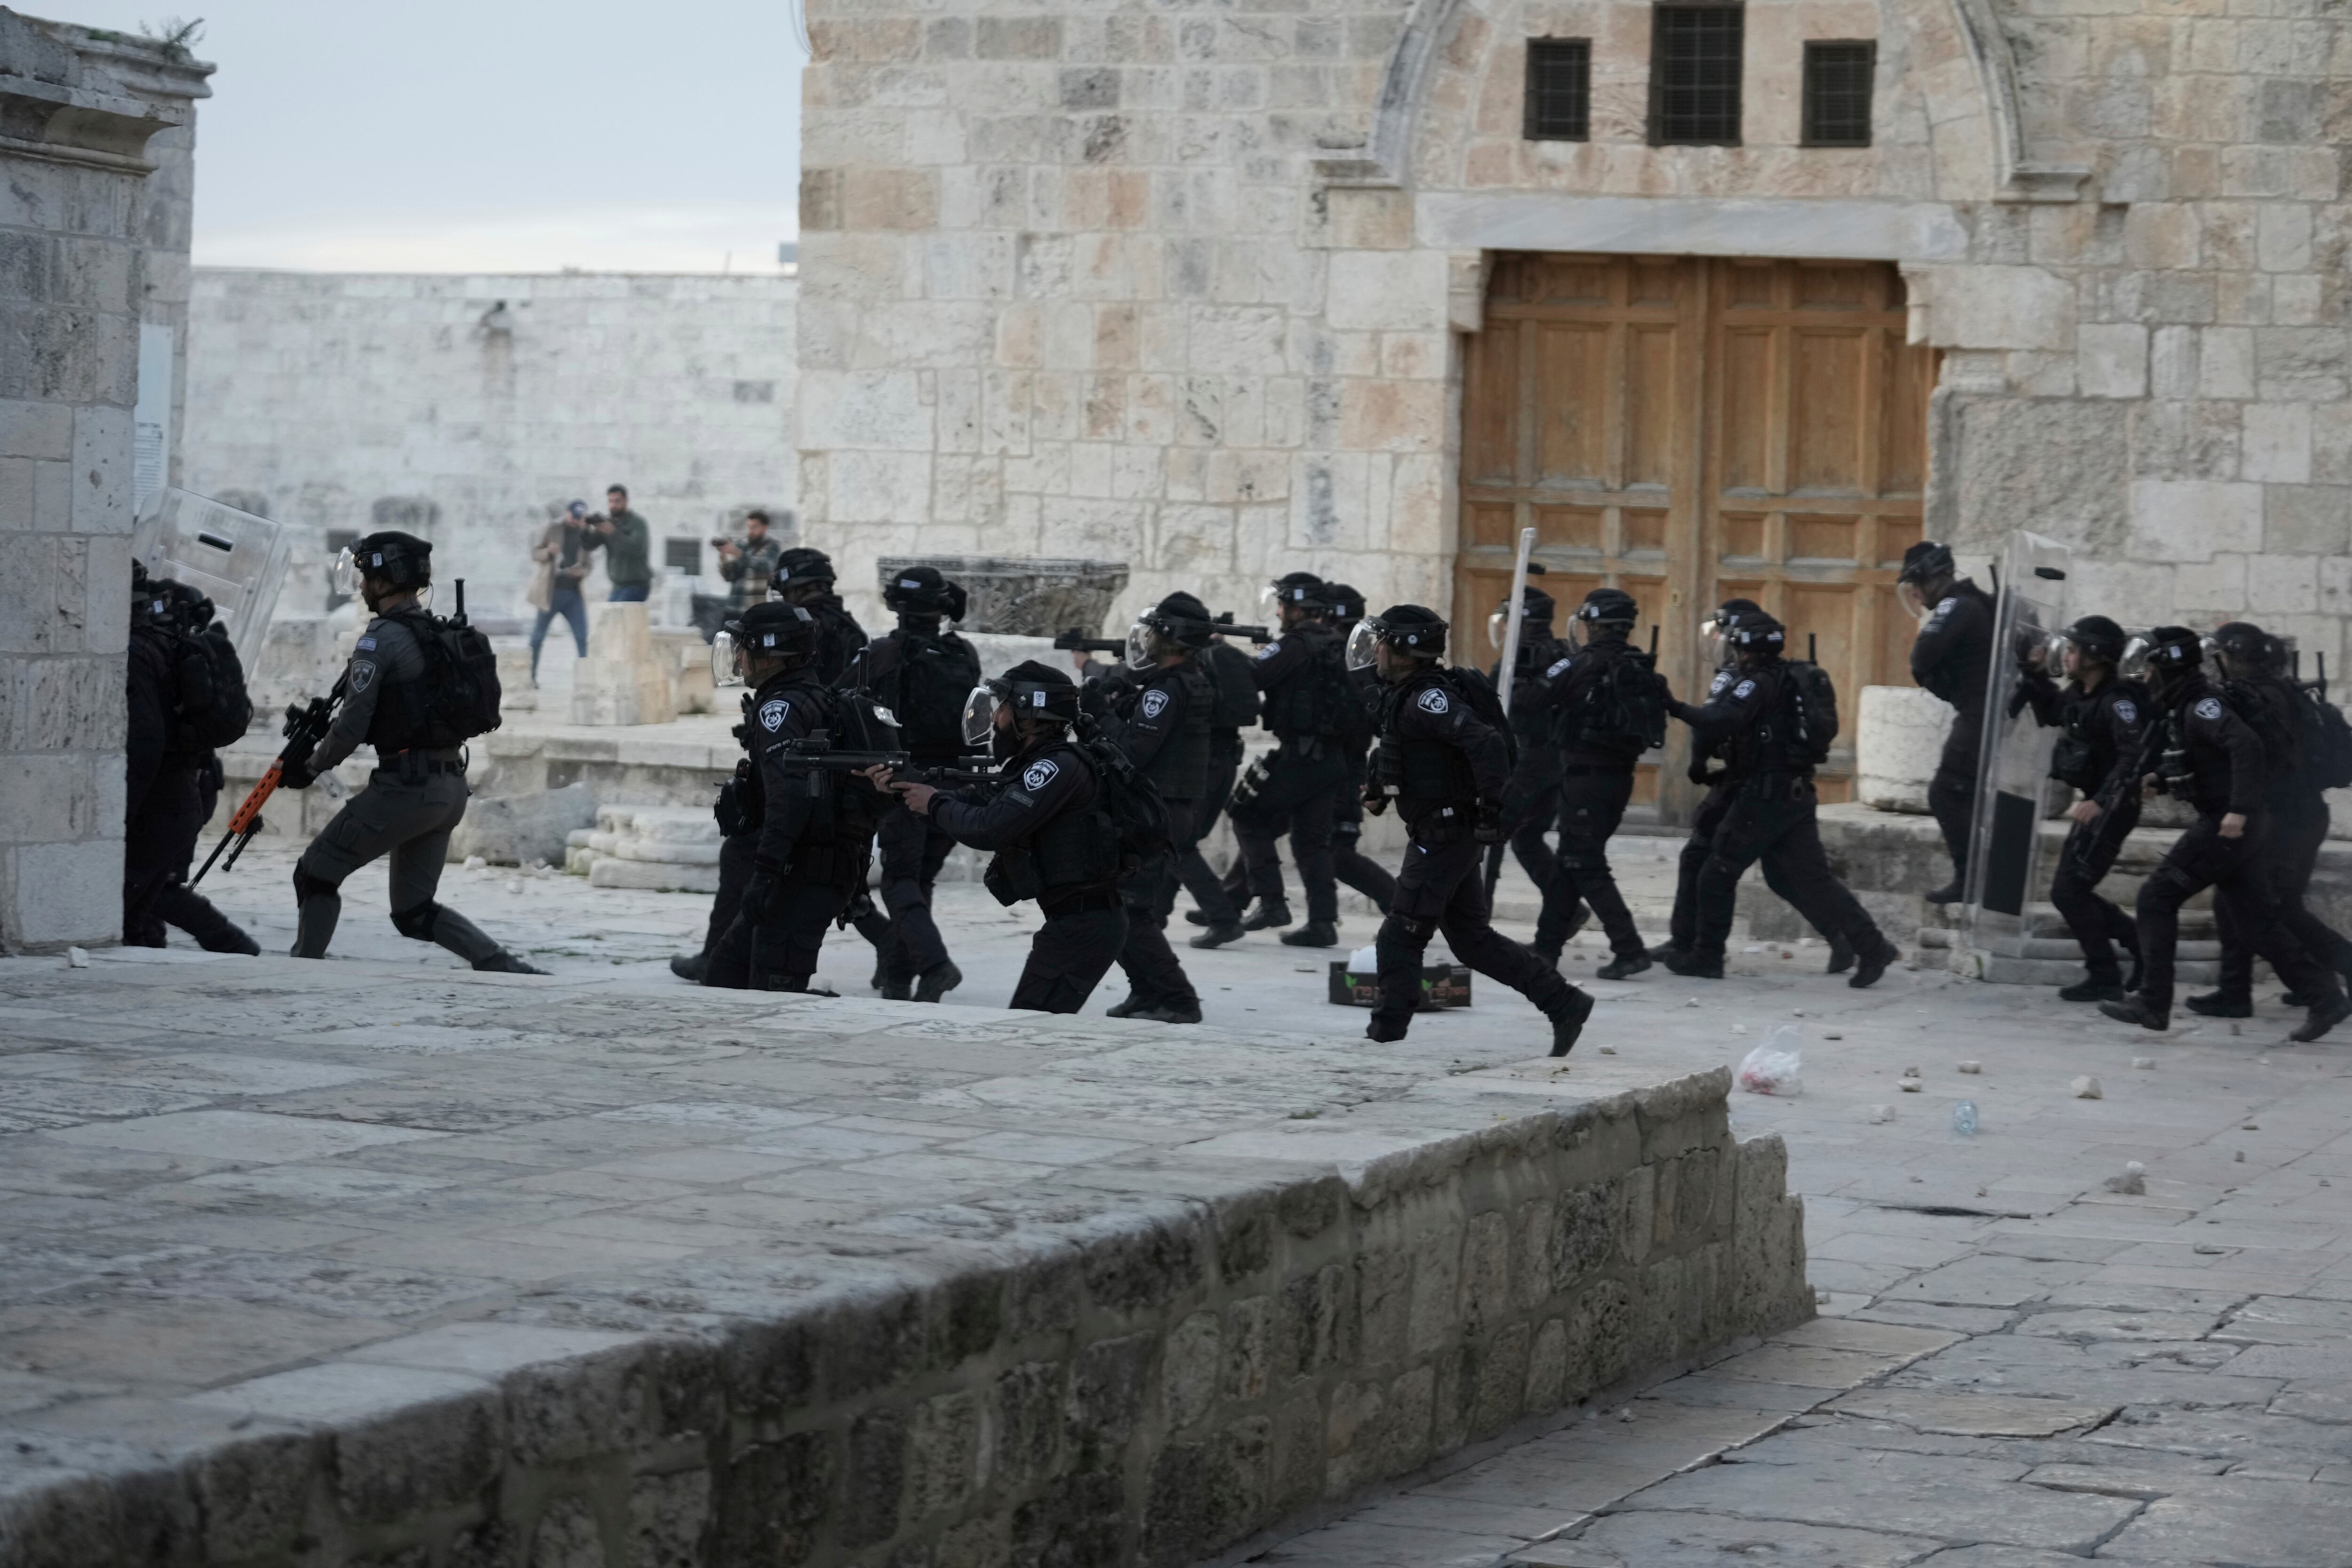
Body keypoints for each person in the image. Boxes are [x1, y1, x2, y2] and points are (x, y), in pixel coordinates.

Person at [279, 531, 545, 972]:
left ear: (385, 582)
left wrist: (311, 764)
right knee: (414, 911)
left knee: (315, 873)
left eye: (366, 576)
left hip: (405, 788)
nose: (362, 586)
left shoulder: (378, 639)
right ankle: (505, 966)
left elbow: (351, 726)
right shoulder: (435, 632)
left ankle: (304, 971)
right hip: (448, 789)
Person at [1355, 605, 1594, 1054]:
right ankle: (1564, 1002)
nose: (1377, 651)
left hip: (1446, 832)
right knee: (1471, 941)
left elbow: (1483, 742)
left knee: (1401, 931)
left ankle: (1384, 1036)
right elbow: (1406, 751)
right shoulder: (1404, 694)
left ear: (1404, 651)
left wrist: (1490, 808)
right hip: (1442, 830)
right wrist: (1379, 788)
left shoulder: (1430, 697)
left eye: (1384, 642)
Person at [2099, 627, 2348, 1040]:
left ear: (2167, 668)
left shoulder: (2203, 705)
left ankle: (2153, 1001)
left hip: (2227, 825)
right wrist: (2162, 777)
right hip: (2242, 826)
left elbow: (2246, 747)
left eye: (2149, 670)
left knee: (2156, 897)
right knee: (2254, 921)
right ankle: (2325, 997)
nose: (2144, 679)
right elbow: (2209, 760)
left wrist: (2239, 809)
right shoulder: (2190, 704)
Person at [1660, 609, 1898, 987]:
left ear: (1747, 650)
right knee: (1816, 881)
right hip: (1794, 794)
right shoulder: (1785, 678)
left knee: (1717, 872)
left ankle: (1707, 956)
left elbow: (1721, 720)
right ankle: (1873, 946)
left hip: (1765, 797)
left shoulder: (1757, 683)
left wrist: (1674, 707)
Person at [882, 662, 1126, 1014]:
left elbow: (990, 826)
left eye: (1005, 706)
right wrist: (909, 788)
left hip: (1083, 927)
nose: (996, 717)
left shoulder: (1055, 767)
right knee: (1031, 1026)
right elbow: (977, 801)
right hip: (1076, 922)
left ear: (1028, 712)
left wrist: (933, 803)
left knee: (1030, 1027)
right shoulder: (1039, 762)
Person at [2187, 622, 2352, 1017]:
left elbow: (2258, 759)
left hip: (2286, 818)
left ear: (2234, 656)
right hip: (2301, 813)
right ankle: (2241, 990)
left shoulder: (2256, 698)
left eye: (2222, 656)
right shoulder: (2281, 690)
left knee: (2271, 907)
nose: (2218, 663)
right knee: (2243, 902)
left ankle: (2326, 975)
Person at [845, 565, 979, 1002]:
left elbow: (840, 701)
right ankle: (902, 980)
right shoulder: (964, 653)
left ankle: (936, 966)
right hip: (956, 783)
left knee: (900, 881)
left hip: (907, 781)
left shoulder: (884, 652)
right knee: (920, 883)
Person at [122, 570, 261, 955]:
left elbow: (145, 746)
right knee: (141, 914)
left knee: (139, 902)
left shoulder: (137, 652)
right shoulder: (167, 644)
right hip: (187, 791)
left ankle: (238, 947)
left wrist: (120, 815)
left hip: (162, 804)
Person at [1529, 588, 1663, 979]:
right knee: (1570, 862)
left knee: (1583, 863)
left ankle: (1629, 947)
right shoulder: (1639, 665)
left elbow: (1531, 699)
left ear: (1593, 624)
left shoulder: (1582, 664)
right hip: (1617, 779)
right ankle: (1547, 946)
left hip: (1586, 779)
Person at [2012, 614, 2148, 1003]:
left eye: (2073, 649)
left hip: (2114, 807)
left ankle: (2108, 971)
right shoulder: (2081, 694)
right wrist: (2035, 674)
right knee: (2072, 890)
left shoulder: (2119, 701)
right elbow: (2056, 712)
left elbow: (2132, 755)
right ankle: (2136, 947)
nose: (2067, 656)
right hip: (2096, 805)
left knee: (2070, 891)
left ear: (2094, 655)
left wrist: (2101, 801)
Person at [1097, 593, 1218, 1022]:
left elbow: (1135, 750)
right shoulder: (1187, 680)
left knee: (1132, 909)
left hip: (1157, 811)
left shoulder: (1168, 689)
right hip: (1168, 808)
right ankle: (1146, 992)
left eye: (1155, 633)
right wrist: (1124, 697)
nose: (1146, 641)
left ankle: (1177, 998)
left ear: (1171, 639)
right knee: (1122, 906)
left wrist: (1100, 716)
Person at [1227, 572, 1354, 947]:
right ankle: (1323, 921)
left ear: (1298, 608)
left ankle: (1271, 902)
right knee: (1311, 841)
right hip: (1332, 760)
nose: (1279, 612)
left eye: (1282, 604)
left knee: (1247, 815)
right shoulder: (1337, 643)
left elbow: (1255, 675)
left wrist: (1222, 651)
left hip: (1300, 757)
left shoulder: (1296, 645)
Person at [1899, 541, 1996, 903]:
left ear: (1932, 578)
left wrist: (1937, 679)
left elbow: (1923, 656)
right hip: (1982, 711)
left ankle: (1970, 881)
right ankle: (1980, 881)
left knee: (1946, 793)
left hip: (1978, 713)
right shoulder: (1972, 602)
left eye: (1918, 584)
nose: (1918, 596)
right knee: (1964, 795)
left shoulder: (1958, 605)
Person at [1485, 576, 1576, 953]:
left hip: (1526, 758)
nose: (1503, 627)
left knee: (1490, 833)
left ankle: (1475, 919)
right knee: (1527, 837)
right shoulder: (1563, 655)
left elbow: (1505, 704)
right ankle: (1567, 912)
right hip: (1556, 759)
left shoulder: (1517, 661)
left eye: (1508, 619)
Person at [1179, 612, 1263, 948]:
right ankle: (1152, 914)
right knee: (1179, 842)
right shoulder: (1226, 660)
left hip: (1205, 765)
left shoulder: (1201, 664)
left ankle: (1223, 917)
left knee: (1178, 843)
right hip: (1225, 760)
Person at [1321, 582, 1398, 915]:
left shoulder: (1355, 661)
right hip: (1325, 763)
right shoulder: (1358, 654)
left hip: (1342, 764)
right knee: (1262, 821)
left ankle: (1400, 903)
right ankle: (1231, 900)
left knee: (1338, 849)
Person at [771, 546, 869, 685]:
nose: (785, 598)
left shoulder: (798, 626)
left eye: (785, 592)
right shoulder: (849, 625)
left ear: (796, 588)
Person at [527, 501, 592, 681]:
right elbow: (535, 553)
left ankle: (585, 680)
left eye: (580, 518)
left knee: (582, 637)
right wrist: (548, 552)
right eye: (574, 516)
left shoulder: (585, 533)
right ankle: (530, 677)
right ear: (567, 513)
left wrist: (582, 572)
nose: (575, 521)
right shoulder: (552, 528)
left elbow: (589, 565)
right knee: (538, 637)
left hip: (573, 594)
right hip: (551, 593)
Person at [583, 484, 654, 603]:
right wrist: (584, 528)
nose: (613, 505)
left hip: (637, 586)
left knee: (616, 619)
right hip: (618, 586)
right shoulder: (608, 523)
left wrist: (613, 533)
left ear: (626, 501)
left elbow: (637, 549)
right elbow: (589, 545)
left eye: (617, 501)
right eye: (610, 501)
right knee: (612, 619)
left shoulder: (637, 523)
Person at [715, 509, 785, 609]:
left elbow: (767, 567)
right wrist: (724, 557)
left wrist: (739, 554)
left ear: (765, 528)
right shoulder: (741, 546)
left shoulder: (773, 546)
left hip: (758, 606)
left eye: (755, 527)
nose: (751, 531)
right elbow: (729, 576)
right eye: (749, 527)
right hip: (736, 606)